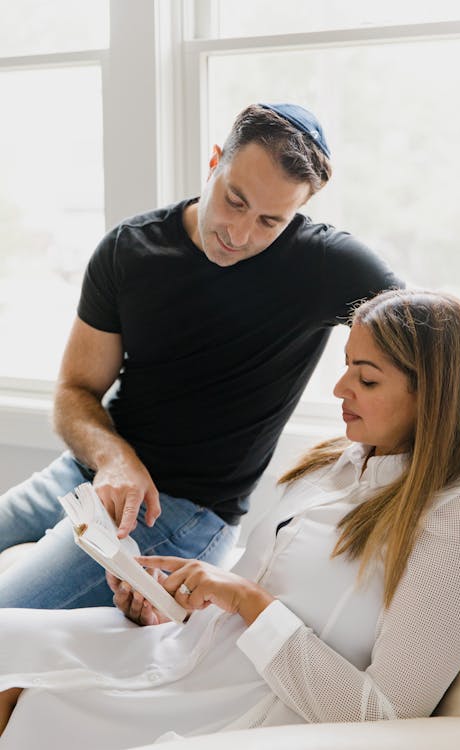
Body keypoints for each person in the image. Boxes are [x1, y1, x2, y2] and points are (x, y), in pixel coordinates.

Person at [1, 289, 460, 749]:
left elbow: (385, 716)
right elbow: (246, 592)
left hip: (245, 704)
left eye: (366, 378)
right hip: (181, 653)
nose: (340, 387)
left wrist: (246, 599)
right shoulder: (330, 464)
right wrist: (163, 602)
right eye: (346, 365)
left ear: (434, 395)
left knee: (33, 703)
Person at [0, 102, 405, 609]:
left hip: (182, 511)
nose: (240, 235)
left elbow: (446, 327)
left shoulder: (323, 265)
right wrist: (113, 458)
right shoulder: (130, 250)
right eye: (235, 201)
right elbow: (73, 391)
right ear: (215, 160)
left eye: (269, 222)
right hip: (82, 472)